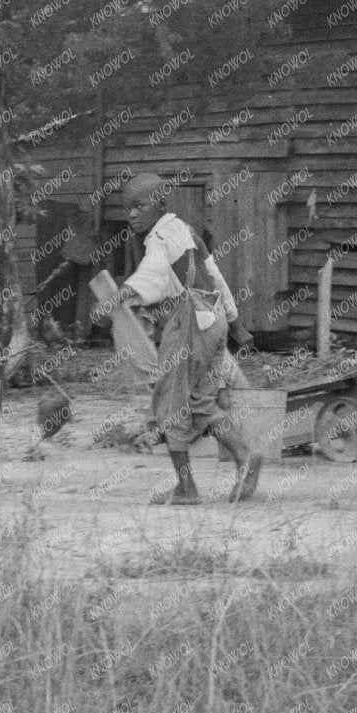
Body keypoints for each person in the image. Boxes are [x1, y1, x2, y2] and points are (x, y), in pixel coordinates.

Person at [114, 171, 263, 505]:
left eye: (140, 206)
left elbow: (152, 272)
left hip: (189, 323)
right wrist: (235, 323)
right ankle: (246, 456)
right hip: (213, 320)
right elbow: (215, 276)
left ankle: (186, 489)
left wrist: (121, 294)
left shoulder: (159, 237)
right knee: (199, 402)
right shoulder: (187, 231)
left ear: (160, 204)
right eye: (127, 208)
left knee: (170, 402)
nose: (132, 214)